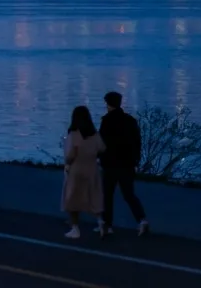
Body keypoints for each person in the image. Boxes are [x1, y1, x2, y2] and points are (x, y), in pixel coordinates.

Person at [99, 91, 150, 237]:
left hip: (110, 164)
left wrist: (99, 157)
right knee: (129, 194)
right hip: (127, 163)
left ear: (108, 104)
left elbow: (102, 142)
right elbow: (137, 141)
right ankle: (141, 220)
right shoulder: (130, 120)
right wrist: (135, 159)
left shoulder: (107, 121)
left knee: (107, 195)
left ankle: (107, 225)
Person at [63, 105, 106, 239]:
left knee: (72, 199)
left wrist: (67, 164)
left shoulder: (74, 134)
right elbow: (102, 149)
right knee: (94, 196)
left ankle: (75, 228)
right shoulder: (95, 134)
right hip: (92, 168)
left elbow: (70, 154)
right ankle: (100, 221)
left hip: (76, 169)